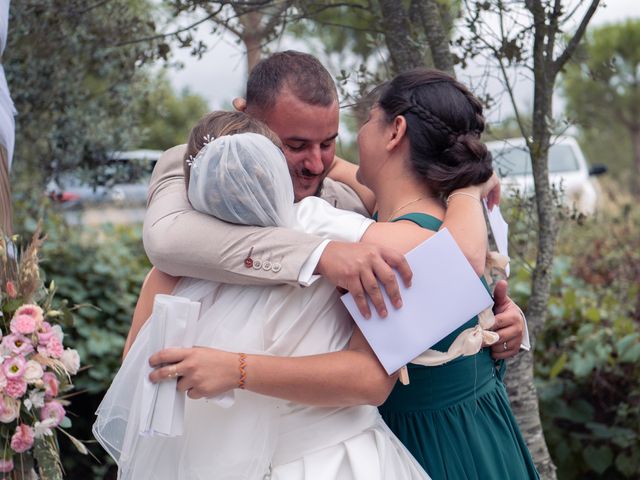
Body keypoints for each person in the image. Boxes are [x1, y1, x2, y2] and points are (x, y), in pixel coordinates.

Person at [148, 69, 539, 479]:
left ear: (395, 131)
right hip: (481, 432)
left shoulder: (404, 241)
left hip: (437, 447)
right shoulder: (403, 218)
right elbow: (342, 172)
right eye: (296, 144)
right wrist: (467, 186)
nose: (322, 159)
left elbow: (371, 375)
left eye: (365, 121)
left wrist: (236, 368)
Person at [95, 111, 432, 479]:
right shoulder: (325, 230)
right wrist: (467, 189)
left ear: (192, 185)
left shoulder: (171, 269)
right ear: (276, 171)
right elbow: (435, 254)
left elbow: (143, 395)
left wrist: (232, 370)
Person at [142, 51, 528, 358]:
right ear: (245, 115)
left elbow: (429, 254)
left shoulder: (345, 196)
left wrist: (490, 321)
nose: (315, 163)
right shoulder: (195, 166)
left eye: (327, 143)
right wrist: (322, 255)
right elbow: (168, 240)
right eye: (294, 146)